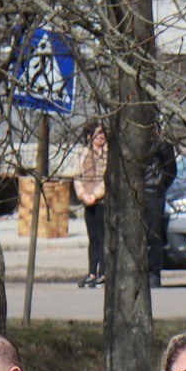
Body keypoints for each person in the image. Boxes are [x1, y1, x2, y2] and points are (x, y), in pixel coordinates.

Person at [76, 123, 108, 288]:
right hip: (87, 201)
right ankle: (91, 272)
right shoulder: (83, 153)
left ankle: (103, 272)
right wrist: (83, 195)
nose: (101, 137)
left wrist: (95, 195)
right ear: (90, 136)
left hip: (102, 201)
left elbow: (107, 178)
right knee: (93, 238)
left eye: (103, 133)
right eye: (98, 134)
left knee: (103, 237)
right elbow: (77, 176)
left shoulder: (108, 154)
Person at [143, 136, 177, 289]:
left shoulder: (161, 143)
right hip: (133, 193)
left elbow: (170, 169)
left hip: (153, 193)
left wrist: (159, 184)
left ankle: (154, 274)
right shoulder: (127, 138)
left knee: (154, 235)